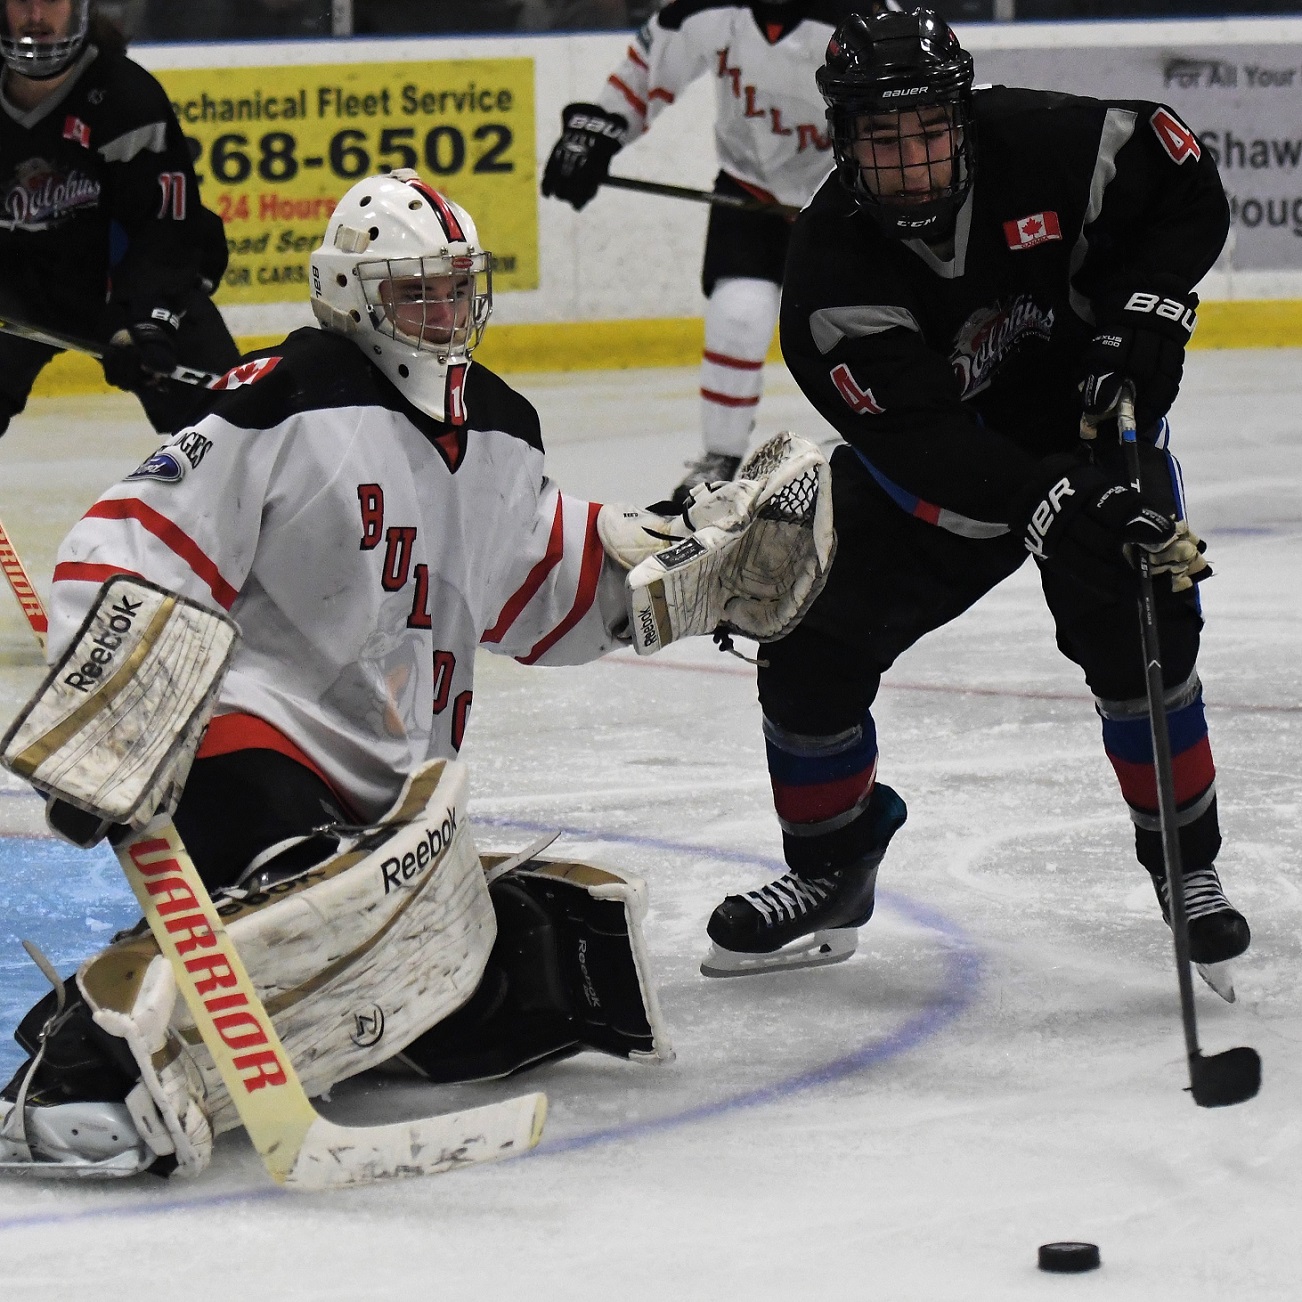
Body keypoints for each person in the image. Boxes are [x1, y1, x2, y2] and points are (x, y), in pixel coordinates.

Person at [0, 168, 829, 1177]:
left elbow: (540, 589)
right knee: (297, 904)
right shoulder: (285, 397)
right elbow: (130, 536)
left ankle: (251, 1016)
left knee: (505, 982)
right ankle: (72, 1067)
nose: (441, 318)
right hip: (250, 740)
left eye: (453, 289)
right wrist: (111, 722)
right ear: (352, 298)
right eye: (412, 294)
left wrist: (669, 573)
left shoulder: (501, 430)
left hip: (391, 785)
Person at [701, 9, 1250, 992]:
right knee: (806, 647)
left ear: (961, 113)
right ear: (841, 140)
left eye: (926, 132)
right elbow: (919, 442)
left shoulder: (1042, 141)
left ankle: (1188, 868)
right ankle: (832, 866)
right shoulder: (830, 271)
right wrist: (1041, 502)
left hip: (1090, 433)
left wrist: (1148, 308)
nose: (909, 162)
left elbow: (1181, 175)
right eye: (882, 139)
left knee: (1142, 625)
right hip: (946, 483)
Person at [541, 0, 895, 506]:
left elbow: (902, 102)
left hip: (842, 196)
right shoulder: (707, 12)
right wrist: (597, 133)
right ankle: (720, 457)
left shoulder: (862, 18)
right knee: (739, 314)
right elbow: (646, 71)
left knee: (860, 325)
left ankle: (885, 443)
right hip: (747, 188)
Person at [0, 0, 238, 439]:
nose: (36, 14)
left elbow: (165, 232)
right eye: (21, 0)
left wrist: (148, 323)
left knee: (229, 425)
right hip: (15, 287)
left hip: (118, 286)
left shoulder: (126, 97)